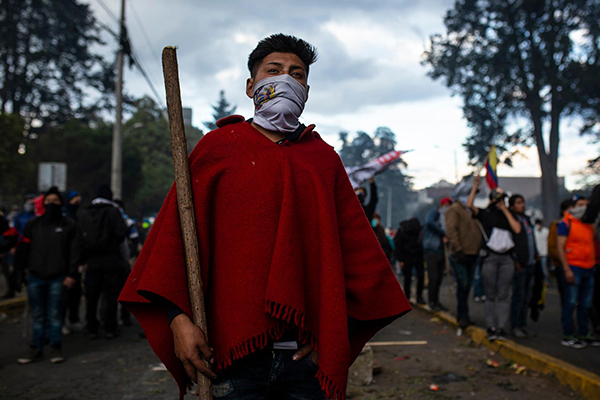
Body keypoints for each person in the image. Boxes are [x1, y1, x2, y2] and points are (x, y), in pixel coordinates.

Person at [119, 34, 410, 400]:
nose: (286, 79)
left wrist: (336, 337)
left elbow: (359, 262)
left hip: (305, 366)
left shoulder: (323, 161)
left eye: (297, 74)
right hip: (229, 357)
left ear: (306, 88)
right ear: (251, 84)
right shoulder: (218, 149)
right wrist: (179, 321)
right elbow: (172, 245)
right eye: (274, 70)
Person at [14, 187, 79, 364]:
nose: (52, 204)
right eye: (48, 201)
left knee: (55, 314)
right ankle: (37, 348)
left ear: (61, 203)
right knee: (38, 315)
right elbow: (24, 249)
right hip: (35, 275)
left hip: (58, 276)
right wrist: (19, 273)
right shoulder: (33, 225)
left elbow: (74, 252)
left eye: (55, 201)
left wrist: (71, 274)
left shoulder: (69, 225)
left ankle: (55, 347)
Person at [467, 176, 521, 342]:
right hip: (490, 257)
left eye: (502, 200)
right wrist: (476, 186)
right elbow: (469, 206)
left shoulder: (510, 214)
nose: (500, 202)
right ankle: (491, 327)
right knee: (490, 295)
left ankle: (501, 327)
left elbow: (517, 229)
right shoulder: (485, 214)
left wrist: (505, 210)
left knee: (504, 295)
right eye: (497, 200)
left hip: (507, 259)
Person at [79, 185, 128, 339]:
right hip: (111, 260)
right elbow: (121, 234)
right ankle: (110, 327)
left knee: (91, 296)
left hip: (91, 261)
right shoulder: (113, 212)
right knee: (111, 295)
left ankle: (91, 326)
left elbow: (79, 238)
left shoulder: (85, 213)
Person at [557, 196, 600, 348]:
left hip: (589, 268)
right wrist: (566, 269)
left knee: (586, 304)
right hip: (574, 268)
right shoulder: (566, 223)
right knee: (570, 302)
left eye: (586, 205)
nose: (584, 208)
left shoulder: (589, 224)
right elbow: (560, 247)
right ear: (573, 206)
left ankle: (584, 333)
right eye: (580, 205)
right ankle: (568, 334)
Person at [445, 191, 482, 329]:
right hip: (460, 254)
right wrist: (458, 249)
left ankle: (464, 314)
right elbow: (451, 230)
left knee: (467, 286)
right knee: (463, 285)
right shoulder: (454, 210)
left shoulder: (471, 210)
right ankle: (462, 316)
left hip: (472, 252)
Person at [508, 194, 538, 338]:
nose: (522, 205)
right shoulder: (511, 220)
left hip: (531, 262)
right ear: (512, 206)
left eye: (523, 202)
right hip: (520, 264)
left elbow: (531, 239)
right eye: (519, 203)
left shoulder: (526, 219)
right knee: (518, 297)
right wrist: (515, 261)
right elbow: (513, 243)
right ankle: (515, 325)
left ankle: (522, 324)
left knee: (527, 297)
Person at [423, 197, 452, 312]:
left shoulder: (447, 218)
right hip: (432, 249)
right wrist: (443, 233)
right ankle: (431, 301)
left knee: (439, 278)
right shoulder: (434, 213)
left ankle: (436, 301)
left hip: (441, 250)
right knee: (433, 277)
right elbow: (429, 223)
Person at [395, 217, 425, 304]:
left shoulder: (405, 230)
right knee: (415, 277)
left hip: (411, 256)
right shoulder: (405, 230)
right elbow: (399, 245)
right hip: (410, 256)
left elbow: (398, 246)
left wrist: (401, 259)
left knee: (409, 277)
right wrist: (401, 259)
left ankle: (408, 296)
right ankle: (415, 296)